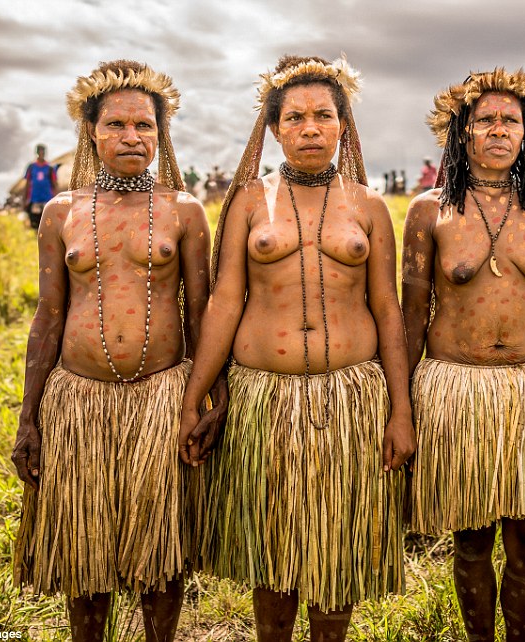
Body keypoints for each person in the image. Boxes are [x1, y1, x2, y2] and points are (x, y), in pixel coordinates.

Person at [179, 55, 415, 641]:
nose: (310, 128)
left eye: (323, 116)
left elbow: (388, 308)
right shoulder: (250, 201)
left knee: (337, 557)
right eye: (295, 117)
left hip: (349, 400)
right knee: (274, 557)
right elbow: (224, 302)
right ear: (274, 128)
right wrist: (196, 397)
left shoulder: (368, 205)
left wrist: (401, 409)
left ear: (342, 126)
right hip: (266, 402)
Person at [11, 59, 218, 642]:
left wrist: (207, 396)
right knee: (84, 554)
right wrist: (29, 416)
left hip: (161, 399)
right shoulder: (61, 212)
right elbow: (48, 315)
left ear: (161, 134)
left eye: (145, 126)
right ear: (92, 133)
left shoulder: (184, 211)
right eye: (118, 126)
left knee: (162, 556)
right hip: (76, 402)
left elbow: (202, 313)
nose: (132, 137)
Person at [401, 68, 525, 642]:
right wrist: (402, 408)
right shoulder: (429, 212)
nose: (497, 130)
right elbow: (410, 319)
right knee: (469, 542)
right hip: (454, 391)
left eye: (509, 121)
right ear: (461, 132)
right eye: (483, 119)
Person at [23, 144, 58, 230]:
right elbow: (27, 184)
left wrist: (56, 199)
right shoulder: (31, 167)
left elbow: (54, 184)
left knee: (47, 223)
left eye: (43, 151)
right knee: (35, 223)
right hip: (35, 199)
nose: (41, 153)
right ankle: (36, 241)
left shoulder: (50, 168)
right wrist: (25, 199)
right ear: (37, 153)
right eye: (40, 151)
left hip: (47, 199)